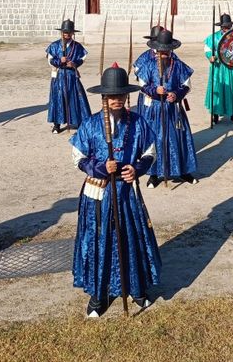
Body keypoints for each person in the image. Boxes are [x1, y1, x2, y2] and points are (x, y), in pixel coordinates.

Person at [71, 63, 160, 317]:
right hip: (99, 194)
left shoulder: (138, 123)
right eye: (112, 96)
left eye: (121, 95)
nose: (117, 100)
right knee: (100, 240)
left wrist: (138, 168)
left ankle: (136, 287)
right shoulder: (90, 125)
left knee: (130, 237)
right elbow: (77, 156)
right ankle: (99, 294)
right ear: (104, 97)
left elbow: (149, 152)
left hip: (126, 193)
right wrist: (99, 167)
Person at [134, 29, 198, 186]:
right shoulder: (148, 65)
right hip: (154, 109)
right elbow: (142, 85)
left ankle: (183, 171)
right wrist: (155, 90)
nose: (163, 54)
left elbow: (186, 86)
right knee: (156, 139)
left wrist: (176, 94)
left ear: (171, 50)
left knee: (179, 138)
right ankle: (154, 174)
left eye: (166, 51)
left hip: (173, 109)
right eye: (161, 51)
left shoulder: (178, 65)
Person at [46, 19, 91, 134]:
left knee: (75, 97)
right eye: (65, 32)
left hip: (71, 75)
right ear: (61, 32)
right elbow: (50, 60)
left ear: (72, 33)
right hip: (59, 75)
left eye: (69, 32)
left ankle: (78, 122)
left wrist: (74, 64)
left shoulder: (77, 46)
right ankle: (57, 124)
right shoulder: (54, 45)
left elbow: (83, 58)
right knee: (58, 98)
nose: (67, 34)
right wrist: (59, 60)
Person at [205, 13, 233, 124]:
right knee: (217, 89)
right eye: (224, 26)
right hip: (217, 67)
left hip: (230, 67)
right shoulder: (213, 37)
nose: (226, 28)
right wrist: (210, 56)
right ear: (221, 26)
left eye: (228, 26)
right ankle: (215, 115)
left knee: (232, 89)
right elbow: (207, 49)